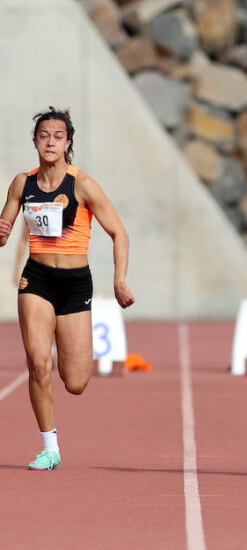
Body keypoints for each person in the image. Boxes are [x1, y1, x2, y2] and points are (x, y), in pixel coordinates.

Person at [0, 107, 135, 470]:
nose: (50, 142)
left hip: (75, 285)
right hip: (37, 280)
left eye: (57, 136)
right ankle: (50, 447)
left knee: (75, 382)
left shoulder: (83, 185)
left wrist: (119, 280)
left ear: (67, 143)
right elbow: (4, 230)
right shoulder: (21, 183)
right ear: (34, 141)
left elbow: (119, 233)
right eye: (44, 135)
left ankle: (67, 340)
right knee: (38, 365)